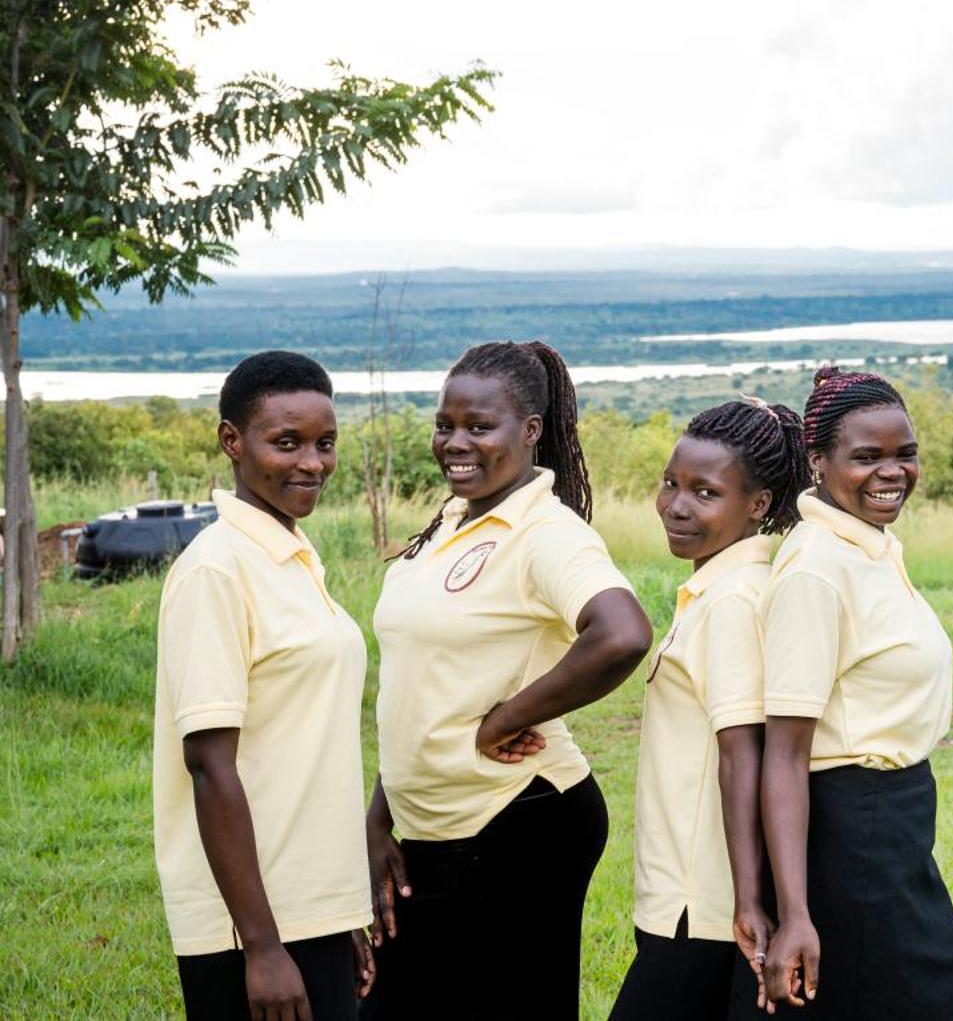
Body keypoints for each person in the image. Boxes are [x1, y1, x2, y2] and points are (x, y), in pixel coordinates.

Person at [363, 340, 654, 1019]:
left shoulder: (546, 532)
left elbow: (622, 632)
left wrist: (507, 716)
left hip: (519, 821)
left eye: (479, 425)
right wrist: (381, 815)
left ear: (530, 431)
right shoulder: (450, 524)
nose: (456, 441)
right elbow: (423, 683)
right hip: (430, 829)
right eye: (446, 424)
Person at [757, 367, 953, 1019]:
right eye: (867, 456)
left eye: (905, 453)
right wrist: (794, 912)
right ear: (819, 461)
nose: (893, 471)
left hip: (893, 820)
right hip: (851, 827)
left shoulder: (870, 545)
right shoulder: (817, 568)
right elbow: (784, 752)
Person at [152, 350, 375, 1020]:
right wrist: (263, 946)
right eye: (287, 442)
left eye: (325, 443)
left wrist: (338, 911)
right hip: (250, 923)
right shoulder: (215, 571)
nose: (312, 462)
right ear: (232, 440)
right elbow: (210, 764)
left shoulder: (290, 556)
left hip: (310, 908)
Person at [611, 399, 812, 1020]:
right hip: (686, 895)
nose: (676, 504)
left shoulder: (732, 600)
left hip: (699, 901)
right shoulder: (716, 587)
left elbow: (742, 754)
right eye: (671, 483)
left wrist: (747, 898)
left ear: (757, 505)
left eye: (705, 492)